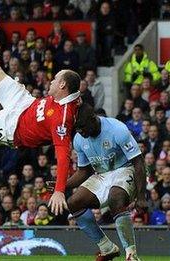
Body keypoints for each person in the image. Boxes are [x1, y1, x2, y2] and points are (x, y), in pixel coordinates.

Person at [0, 4, 81, 216]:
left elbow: (63, 156)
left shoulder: (63, 118)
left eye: (56, 78)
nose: (52, 80)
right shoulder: (62, 97)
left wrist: (60, 190)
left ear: (63, 86)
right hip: (25, 102)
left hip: (12, 129)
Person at [55, 104, 146, 261]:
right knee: (74, 202)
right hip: (103, 175)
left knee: (115, 197)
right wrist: (61, 186)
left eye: (82, 127)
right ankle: (107, 248)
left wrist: (141, 196)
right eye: (77, 128)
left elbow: (138, 162)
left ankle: (131, 255)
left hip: (126, 169)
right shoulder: (79, 139)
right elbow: (84, 171)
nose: (80, 131)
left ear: (93, 119)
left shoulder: (117, 129)